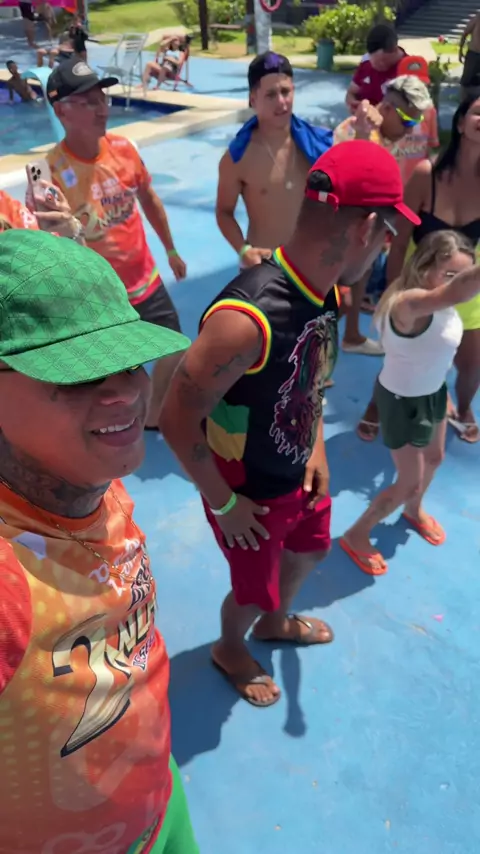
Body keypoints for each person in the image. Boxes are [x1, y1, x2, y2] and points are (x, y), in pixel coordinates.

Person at [160, 140, 420, 708]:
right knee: (252, 591)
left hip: (298, 470)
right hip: (247, 494)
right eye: (387, 232)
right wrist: (225, 504)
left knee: (311, 551)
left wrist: (317, 446)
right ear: (366, 228)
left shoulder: (325, 291)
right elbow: (175, 419)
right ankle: (230, 647)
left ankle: (277, 621)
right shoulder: (244, 320)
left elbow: (312, 378)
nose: (387, 244)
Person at [0, 228, 197, 853]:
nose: (126, 391)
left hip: (161, 807)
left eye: (129, 360)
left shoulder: (92, 478)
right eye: (79, 372)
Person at [41, 57, 187, 427]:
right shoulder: (51, 173)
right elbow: (54, 249)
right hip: (101, 296)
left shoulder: (124, 149)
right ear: (61, 111)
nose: (102, 109)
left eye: (102, 99)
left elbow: (149, 199)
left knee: (175, 345)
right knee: (114, 372)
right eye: (89, 102)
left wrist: (170, 249)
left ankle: (153, 415)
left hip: (145, 279)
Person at [340, 231, 478, 576]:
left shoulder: (441, 305)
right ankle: (356, 534)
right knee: (408, 483)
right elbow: (460, 290)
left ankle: (413, 511)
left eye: (464, 273)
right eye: (450, 274)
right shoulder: (409, 303)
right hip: (402, 402)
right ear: (424, 267)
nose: (457, 282)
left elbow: (437, 348)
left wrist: (442, 389)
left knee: (435, 458)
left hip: (433, 393)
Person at [357, 93, 480, 443]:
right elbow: (399, 241)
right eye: (478, 113)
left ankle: (464, 406)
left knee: (472, 364)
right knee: (400, 358)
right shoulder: (427, 175)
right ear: (460, 122)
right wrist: (393, 293)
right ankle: (376, 405)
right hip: (419, 283)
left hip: (467, 288)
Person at [335, 74, 432, 355]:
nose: (412, 128)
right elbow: (352, 184)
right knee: (337, 303)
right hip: (343, 227)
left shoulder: (394, 133)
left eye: (417, 121)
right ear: (387, 108)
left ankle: (352, 336)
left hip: (374, 223)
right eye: (408, 121)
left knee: (363, 275)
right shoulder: (355, 131)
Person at [216, 51, 332, 269]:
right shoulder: (238, 158)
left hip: (312, 266)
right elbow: (224, 212)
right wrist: (243, 250)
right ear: (253, 100)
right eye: (270, 95)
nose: (281, 102)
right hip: (264, 266)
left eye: (285, 92)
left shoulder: (318, 145)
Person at [345, 23, 406, 112]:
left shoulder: (409, 69)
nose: (376, 66)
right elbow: (351, 93)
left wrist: (372, 112)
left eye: (382, 61)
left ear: (395, 50)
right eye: (373, 61)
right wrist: (352, 103)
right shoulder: (366, 63)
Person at [459, 12, 480, 96]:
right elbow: (465, 33)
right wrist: (460, 51)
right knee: (466, 80)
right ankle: (464, 100)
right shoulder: (477, 18)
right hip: (473, 54)